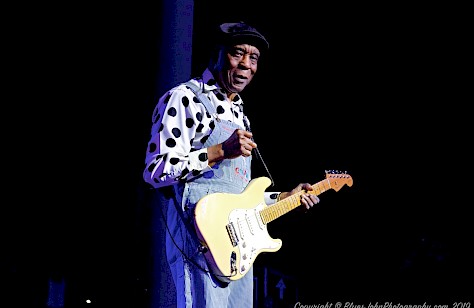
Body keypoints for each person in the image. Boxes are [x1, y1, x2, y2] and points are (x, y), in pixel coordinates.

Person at [142, 21, 321, 308]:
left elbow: (238, 196)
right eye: (238, 54)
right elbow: (156, 170)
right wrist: (218, 151)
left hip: (238, 246)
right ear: (217, 53)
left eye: (254, 58)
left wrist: (284, 198)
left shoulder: (240, 114)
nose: (246, 65)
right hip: (200, 236)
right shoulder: (186, 98)